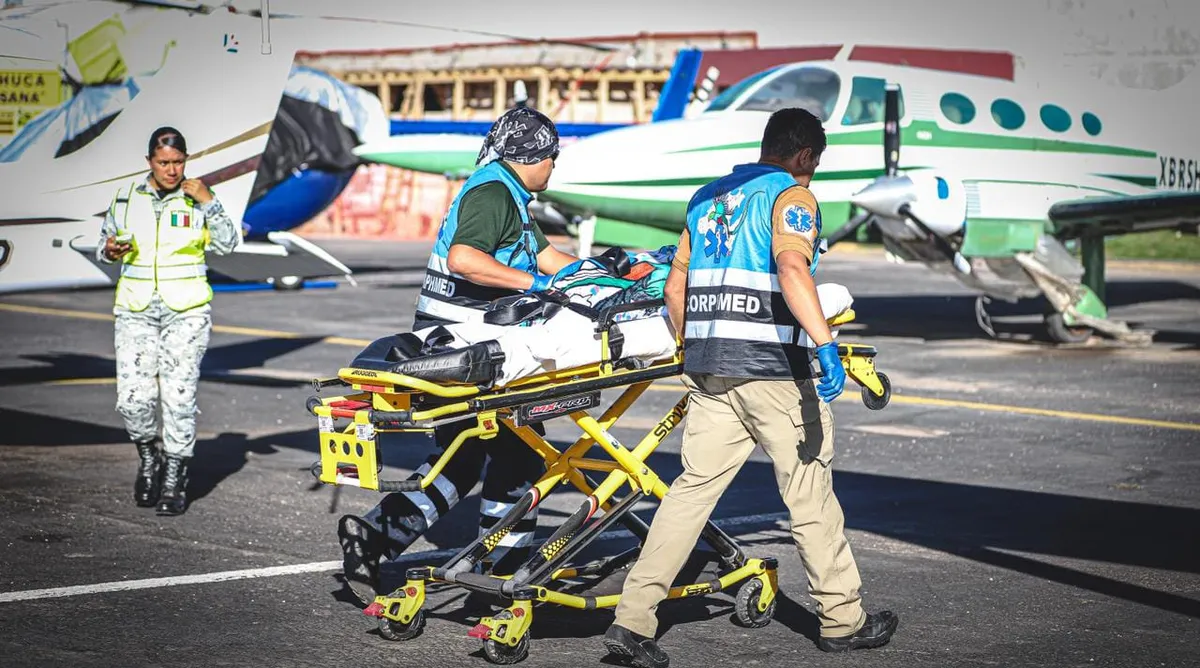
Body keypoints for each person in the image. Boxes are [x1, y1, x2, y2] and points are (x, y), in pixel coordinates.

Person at [602, 108, 899, 667]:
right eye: (814, 165)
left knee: (690, 493)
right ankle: (842, 621)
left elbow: (676, 286)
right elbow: (792, 269)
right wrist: (825, 343)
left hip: (711, 370)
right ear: (805, 156)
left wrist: (693, 348)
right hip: (773, 371)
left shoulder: (706, 197)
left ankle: (633, 621)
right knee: (809, 495)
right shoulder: (791, 196)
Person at [338, 107, 584, 606]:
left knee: (462, 456)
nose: (555, 165)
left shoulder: (505, 194)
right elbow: (466, 260)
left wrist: (602, 279)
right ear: (530, 155)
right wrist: (538, 286)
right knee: (518, 453)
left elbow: (547, 257)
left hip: (458, 344)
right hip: (461, 346)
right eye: (552, 155)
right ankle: (505, 572)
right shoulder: (493, 193)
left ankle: (375, 537)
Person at [99, 126, 240, 516]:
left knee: (178, 397)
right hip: (136, 309)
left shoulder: (197, 199)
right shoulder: (126, 197)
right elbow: (104, 244)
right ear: (150, 162)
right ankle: (149, 457)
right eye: (164, 163)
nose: (172, 170)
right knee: (132, 399)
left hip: (186, 311)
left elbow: (229, 244)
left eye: (178, 162)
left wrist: (209, 201)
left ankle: (175, 476)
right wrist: (110, 249)